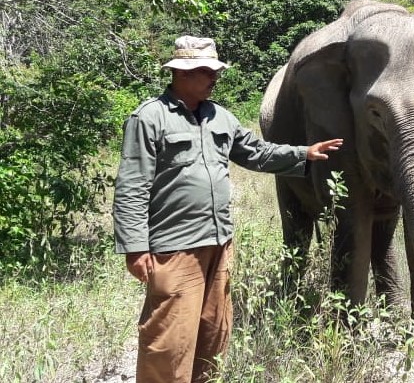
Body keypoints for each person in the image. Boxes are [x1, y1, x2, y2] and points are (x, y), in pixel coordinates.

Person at [112, 35, 343, 383]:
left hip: (220, 243)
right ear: (181, 73)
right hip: (174, 248)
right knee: (169, 338)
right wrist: (135, 246)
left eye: (215, 70)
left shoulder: (220, 117)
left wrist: (303, 154)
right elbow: (132, 186)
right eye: (206, 71)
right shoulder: (149, 118)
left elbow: (257, 153)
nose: (214, 77)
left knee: (213, 331)